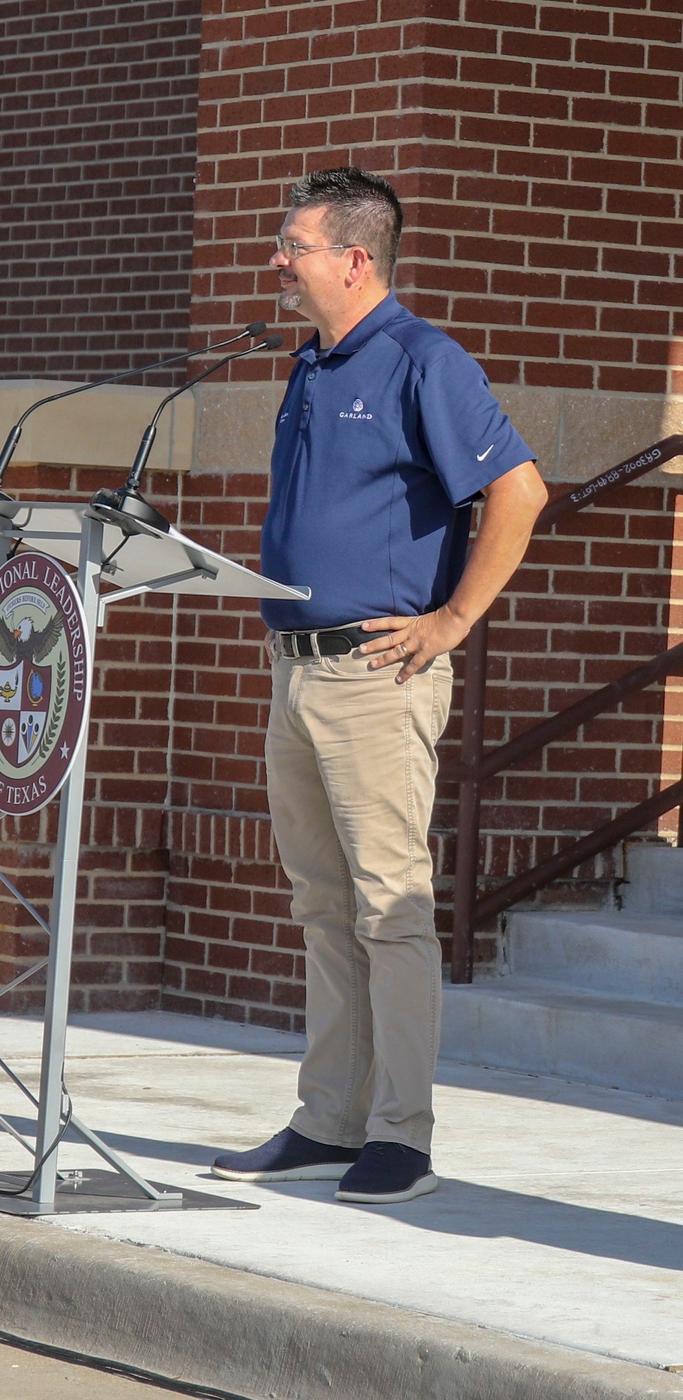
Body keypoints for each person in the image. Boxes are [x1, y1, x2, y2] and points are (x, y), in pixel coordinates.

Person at [211, 167, 547, 1205]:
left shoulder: (420, 359)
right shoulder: (307, 364)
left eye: (293, 244)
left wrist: (450, 621)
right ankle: (329, 1117)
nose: (276, 260)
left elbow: (518, 491)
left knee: (389, 906)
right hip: (295, 671)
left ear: (356, 259)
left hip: (374, 672)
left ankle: (400, 1134)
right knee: (322, 904)